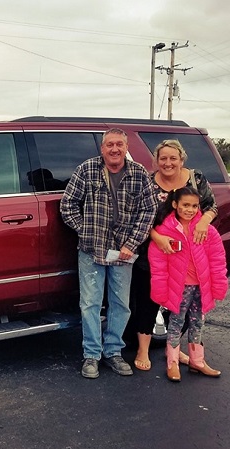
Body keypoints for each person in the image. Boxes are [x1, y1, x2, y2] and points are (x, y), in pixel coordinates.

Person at [61, 128, 157, 379]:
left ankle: (113, 352)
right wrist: (86, 232)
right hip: (91, 250)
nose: (114, 149)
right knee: (90, 304)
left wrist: (131, 243)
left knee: (120, 305)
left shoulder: (139, 175)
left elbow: (148, 211)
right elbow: (68, 204)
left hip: (123, 252)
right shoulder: (87, 170)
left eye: (119, 144)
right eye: (109, 145)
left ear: (126, 148)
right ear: (101, 148)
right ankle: (91, 355)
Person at [130, 139, 218, 371]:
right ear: (156, 161)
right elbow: (137, 216)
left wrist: (204, 223)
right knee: (149, 301)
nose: (168, 163)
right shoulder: (148, 183)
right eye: (163, 159)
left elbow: (211, 206)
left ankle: (177, 352)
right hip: (155, 253)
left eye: (173, 158)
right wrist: (156, 237)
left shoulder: (196, 179)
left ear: (182, 159)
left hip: (189, 254)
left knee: (186, 306)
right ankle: (143, 350)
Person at [148, 187, 227, 381]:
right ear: (175, 205)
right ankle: (172, 362)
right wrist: (160, 289)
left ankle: (197, 361)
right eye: (185, 205)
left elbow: (217, 260)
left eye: (194, 206)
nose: (190, 209)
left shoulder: (206, 230)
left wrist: (219, 285)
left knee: (197, 323)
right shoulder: (165, 230)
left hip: (201, 287)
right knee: (176, 323)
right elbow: (158, 263)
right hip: (179, 288)